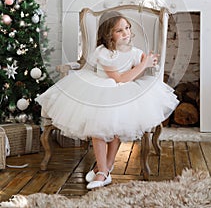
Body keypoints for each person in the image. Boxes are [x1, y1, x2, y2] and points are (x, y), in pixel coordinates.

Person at [36, 11, 179, 190]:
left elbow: (146, 62)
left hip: (125, 94)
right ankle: (103, 169)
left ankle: (105, 168)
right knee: (99, 128)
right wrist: (144, 64)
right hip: (100, 90)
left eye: (127, 28)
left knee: (115, 128)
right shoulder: (103, 52)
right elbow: (119, 79)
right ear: (108, 34)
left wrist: (150, 60)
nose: (126, 33)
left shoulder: (135, 52)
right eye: (119, 30)